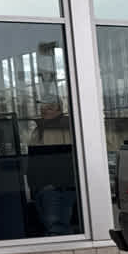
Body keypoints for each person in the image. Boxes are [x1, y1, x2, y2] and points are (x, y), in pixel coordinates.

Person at [29, 99, 78, 235]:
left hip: (55, 186)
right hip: (57, 185)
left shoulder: (58, 128)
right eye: (43, 107)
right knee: (57, 226)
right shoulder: (40, 130)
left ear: (59, 110)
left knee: (55, 227)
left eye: (49, 107)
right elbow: (33, 161)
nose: (45, 110)